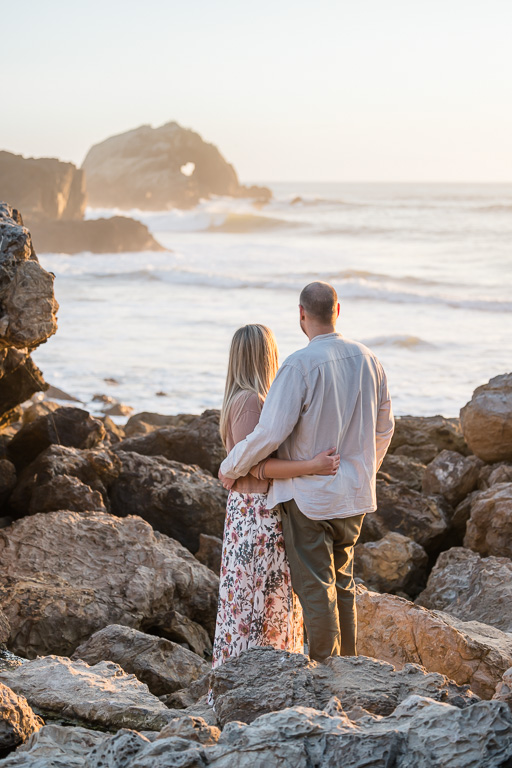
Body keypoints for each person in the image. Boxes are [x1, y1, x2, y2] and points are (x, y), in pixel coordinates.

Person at [219, 282, 394, 662]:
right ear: (338, 309)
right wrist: (363, 471)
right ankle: (347, 668)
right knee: (343, 585)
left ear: (301, 313)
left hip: (309, 499)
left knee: (316, 589)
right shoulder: (370, 360)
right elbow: (384, 430)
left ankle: (324, 669)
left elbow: (269, 432)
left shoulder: (299, 365)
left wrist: (231, 465)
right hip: (353, 497)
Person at [211, 323, 340, 678]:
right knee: (263, 605)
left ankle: (241, 681)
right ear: (267, 357)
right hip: (258, 517)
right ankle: (257, 685)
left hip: (245, 515)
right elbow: (259, 467)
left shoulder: (238, 400)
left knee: (246, 604)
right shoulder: (252, 401)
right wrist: (313, 465)